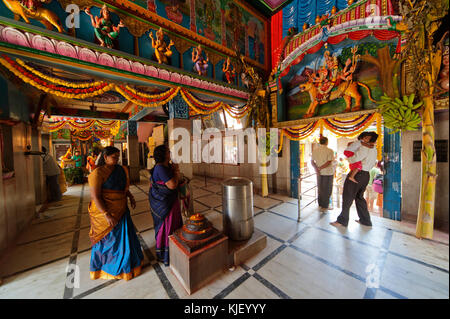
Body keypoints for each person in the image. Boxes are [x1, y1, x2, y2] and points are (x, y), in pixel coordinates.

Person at [88, 146, 143, 280]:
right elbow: (96, 196)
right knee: (110, 240)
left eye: (118, 157)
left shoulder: (121, 169)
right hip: (105, 212)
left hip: (122, 209)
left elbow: (123, 187)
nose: (117, 159)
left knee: (125, 238)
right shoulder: (97, 173)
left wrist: (130, 196)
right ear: (105, 157)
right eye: (114, 157)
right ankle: (108, 268)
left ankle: (128, 264)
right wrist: (106, 214)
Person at [330, 131, 379, 227]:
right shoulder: (374, 149)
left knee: (347, 196)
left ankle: (342, 221)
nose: (362, 140)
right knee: (359, 197)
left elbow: (355, 159)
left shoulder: (365, 148)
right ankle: (365, 220)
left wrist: (349, 158)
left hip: (358, 174)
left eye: (365, 138)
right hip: (365, 175)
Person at [148, 144, 183, 266]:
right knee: (167, 226)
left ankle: (175, 249)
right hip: (165, 204)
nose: (170, 153)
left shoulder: (165, 167)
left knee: (172, 224)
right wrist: (176, 171)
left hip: (170, 201)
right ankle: (165, 253)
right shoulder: (160, 168)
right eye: (168, 152)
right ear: (163, 154)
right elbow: (172, 185)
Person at [311, 136, 336, 212]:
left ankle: (320, 204)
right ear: (327, 142)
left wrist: (317, 169)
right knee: (327, 189)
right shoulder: (330, 150)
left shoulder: (315, 150)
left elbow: (312, 162)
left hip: (319, 173)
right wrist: (320, 168)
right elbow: (329, 162)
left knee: (320, 188)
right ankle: (325, 206)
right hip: (328, 172)